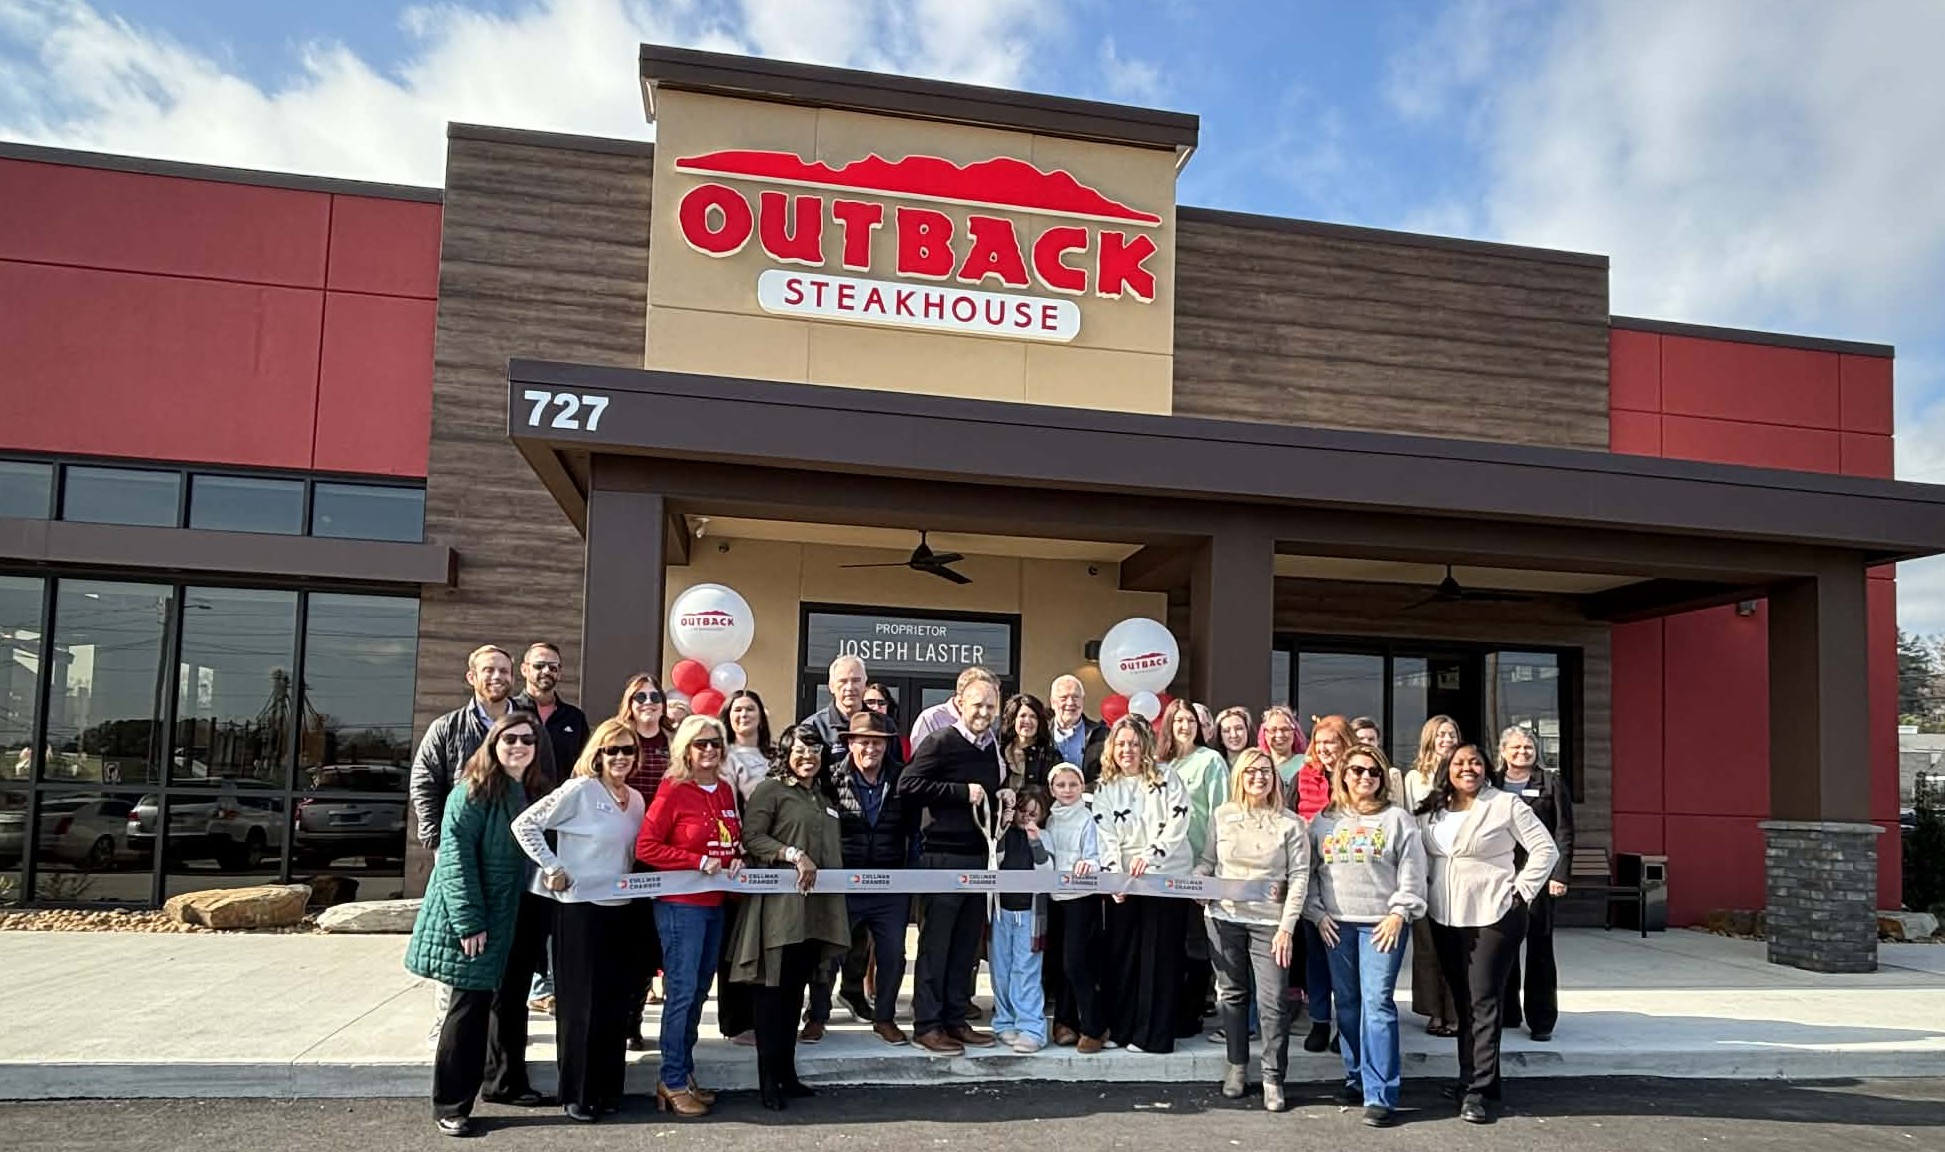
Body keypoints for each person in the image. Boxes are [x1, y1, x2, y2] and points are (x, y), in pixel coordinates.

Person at [404, 711, 547, 1138]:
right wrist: (469, 922)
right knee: (468, 1010)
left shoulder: (534, 791)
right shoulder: (472, 791)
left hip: (520, 911)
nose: (519, 746)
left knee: (511, 1002)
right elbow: (455, 860)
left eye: (527, 740)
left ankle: (504, 1083)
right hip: (480, 914)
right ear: (493, 744)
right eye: (510, 739)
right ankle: (451, 1104)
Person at [509, 717, 645, 1123]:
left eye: (628, 750)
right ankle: (578, 1094)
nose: (620, 757)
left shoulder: (637, 800)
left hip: (621, 910)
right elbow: (525, 824)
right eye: (612, 750)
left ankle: (607, 1089)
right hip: (579, 909)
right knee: (580, 1005)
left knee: (613, 1003)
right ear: (598, 754)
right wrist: (551, 865)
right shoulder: (581, 789)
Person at [1416, 743, 1559, 1124]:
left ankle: (1476, 1090)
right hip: (1444, 916)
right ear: (1447, 769)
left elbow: (1545, 849)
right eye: (1459, 762)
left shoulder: (1505, 805)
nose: (1468, 768)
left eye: (1476, 762)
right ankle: (1480, 1078)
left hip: (1493, 915)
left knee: (1483, 1001)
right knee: (1463, 1002)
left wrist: (1522, 891)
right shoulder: (1433, 808)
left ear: (1486, 768)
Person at [728, 723, 849, 1111]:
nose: (808, 757)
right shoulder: (771, 790)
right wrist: (793, 854)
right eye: (800, 750)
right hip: (778, 911)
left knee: (795, 992)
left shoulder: (822, 796)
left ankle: (787, 1075)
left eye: (814, 750)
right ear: (786, 753)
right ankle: (768, 1082)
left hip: (815, 911)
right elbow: (752, 837)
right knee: (772, 995)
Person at [1308, 745, 1428, 1128]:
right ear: (1343, 774)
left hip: (1381, 926)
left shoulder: (1397, 820)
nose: (1365, 777)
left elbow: (1413, 873)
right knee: (1346, 1004)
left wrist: (1399, 913)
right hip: (1336, 925)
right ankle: (1356, 1075)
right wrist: (1317, 914)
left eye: (1374, 771)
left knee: (1377, 1004)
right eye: (1357, 770)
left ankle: (1380, 1093)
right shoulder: (1323, 821)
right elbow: (1308, 874)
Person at [630, 714, 744, 1116]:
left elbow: (728, 840)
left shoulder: (725, 789)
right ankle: (671, 1079)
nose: (709, 750)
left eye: (715, 743)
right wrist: (695, 861)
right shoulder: (674, 789)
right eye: (701, 743)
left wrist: (736, 857)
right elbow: (646, 847)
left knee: (698, 992)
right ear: (686, 750)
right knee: (680, 993)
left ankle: (684, 1071)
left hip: (716, 904)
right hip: (681, 906)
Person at [897, 669, 1005, 1055]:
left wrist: (1002, 797)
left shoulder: (990, 747)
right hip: (942, 857)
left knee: (965, 947)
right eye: (977, 704)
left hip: (978, 856)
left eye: (990, 706)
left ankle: (956, 1020)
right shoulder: (941, 740)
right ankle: (927, 1025)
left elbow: (985, 794)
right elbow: (908, 785)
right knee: (937, 946)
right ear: (960, 704)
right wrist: (960, 792)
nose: (984, 712)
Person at [1195, 748, 1308, 1112]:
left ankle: (1273, 1076)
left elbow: (1299, 878)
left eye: (1265, 771)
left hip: (1270, 924)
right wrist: (1198, 883)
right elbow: (1208, 862)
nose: (1258, 777)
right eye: (1250, 772)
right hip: (1223, 918)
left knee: (1273, 1002)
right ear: (1239, 777)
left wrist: (1287, 927)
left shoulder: (1291, 823)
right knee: (1232, 996)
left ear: (1275, 778)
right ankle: (1237, 1066)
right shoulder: (1222, 815)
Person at [804, 710, 916, 1046]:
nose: (871, 749)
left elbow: (913, 829)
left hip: (890, 883)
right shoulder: (830, 778)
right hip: (843, 881)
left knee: (893, 955)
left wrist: (912, 873)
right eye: (864, 741)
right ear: (850, 743)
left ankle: (885, 1018)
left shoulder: (902, 778)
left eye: (878, 743)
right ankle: (817, 1016)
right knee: (828, 954)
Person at [1093, 715, 1192, 1054]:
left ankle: (1152, 1035)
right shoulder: (1105, 786)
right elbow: (1104, 833)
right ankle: (1121, 1028)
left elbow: (1178, 821)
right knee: (1122, 955)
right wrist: (1113, 876)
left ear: (1145, 746)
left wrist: (1150, 857)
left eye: (1134, 744)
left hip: (1163, 876)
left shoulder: (1167, 777)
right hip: (1124, 880)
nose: (1128, 750)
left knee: (1159, 956)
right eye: (1121, 744)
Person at [513, 642, 587, 1019]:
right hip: (519, 826)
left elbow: (585, 769)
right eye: (540, 665)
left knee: (556, 905)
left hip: (561, 828)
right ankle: (527, 984)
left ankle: (549, 986)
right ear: (525, 668)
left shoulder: (573, 717)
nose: (547, 672)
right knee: (523, 909)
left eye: (554, 667)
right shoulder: (510, 713)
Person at [1495, 725, 1574, 1042]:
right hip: (1501, 874)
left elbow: (1564, 831)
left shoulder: (1551, 782)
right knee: (1503, 943)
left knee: (1539, 945)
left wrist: (1559, 874)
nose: (1522, 752)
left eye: (1527, 747)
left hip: (1540, 875)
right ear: (1503, 752)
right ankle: (1508, 1012)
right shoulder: (1493, 783)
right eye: (1515, 748)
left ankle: (1542, 1019)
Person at [1157, 698, 1228, 1039]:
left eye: (1190, 721)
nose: (1184, 726)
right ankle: (1169, 1009)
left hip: (1199, 864)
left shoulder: (1210, 761)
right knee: (1169, 942)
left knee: (1196, 942)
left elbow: (1220, 814)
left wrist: (1209, 866)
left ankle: (1192, 1011)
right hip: (1164, 867)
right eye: (1178, 720)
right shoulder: (1160, 763)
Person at [1290, 713, 1354, 1054]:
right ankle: (1319, 1020)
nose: (1326, 748)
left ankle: (1346, 1025)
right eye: (1320, 742)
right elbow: (1288, 815)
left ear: (1346, 743)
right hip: (1312, 874)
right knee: (1315, 956)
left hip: (1349, 877)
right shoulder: (1303, 775)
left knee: (1345, 962)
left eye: (1332, 742)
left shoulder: (1359, 774)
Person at [614, 672, 672, 1050]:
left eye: (655, 696)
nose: (648, 702)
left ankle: (637, 1018)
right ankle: (625, 1021)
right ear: (629, 704)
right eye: (640, 697)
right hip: (623, 849)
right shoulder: (618, 739)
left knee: (653, 941)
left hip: (664, 851)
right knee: (627, 942)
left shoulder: (674, 741)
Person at [1404, 715, 1462, 1036]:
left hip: (1456, 869)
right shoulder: (1415, 778)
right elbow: (1409, 822)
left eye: (1451, 734)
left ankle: (1455, 1011)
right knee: (1427, 946)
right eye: (1441, 734)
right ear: (1430, 739)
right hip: (1423, 867)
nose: (1446, 739)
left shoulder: (1464, 773)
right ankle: (1434, 1011)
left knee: (1454, 943)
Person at [1042, 762, 1104, 1049]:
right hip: (1056, 898)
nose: (1067, 790)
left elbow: (1095, 855)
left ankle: (1094, 1025)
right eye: (1061, 785)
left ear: (1082, 787)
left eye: (1073, 784)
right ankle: (1064, 1023)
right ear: (1052, 789)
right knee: (1058, 962)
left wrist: (1089, 864)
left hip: (1081, 897)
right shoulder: (1051, 819)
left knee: (1075, 961)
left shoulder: (1088, 818)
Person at [991, 785, 1056, 1053]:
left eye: (1033, 813)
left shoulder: (1044, 836)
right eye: (1021, 811)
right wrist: (1003, 827)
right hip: (1000, 912)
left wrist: (1035, 841)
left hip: (1030, 914)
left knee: (1026, 971)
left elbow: (1047, 871)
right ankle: (1004, 1022)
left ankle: (1032, 1028)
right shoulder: (1003, 833)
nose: (1026, 817)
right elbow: (994, 861)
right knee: (1001, 971)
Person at [808, 655, 871, 769]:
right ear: (831, 687)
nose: (850, 687)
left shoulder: (884, 726)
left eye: (856, 680)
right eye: (843, 681)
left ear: (865, 685)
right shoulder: (814, 726)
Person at [1049, 674, 1109, 785]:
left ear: (1082, 700)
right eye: (1064, 698)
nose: (1070, 703)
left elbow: (1108, 774)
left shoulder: (1102, 735)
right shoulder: (1042, 734)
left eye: (1075, 697)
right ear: (1053, 702)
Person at [999, 693, 1060, 792]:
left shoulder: (1050, 756)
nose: (1027, 721)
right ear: (1013, 719)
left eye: (1033, 717)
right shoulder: (1000, 752)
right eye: (1022, 716)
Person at [722, 689, 773, 802]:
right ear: (728, 716)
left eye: (750, 709)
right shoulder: (723, 756)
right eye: (738, 710)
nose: (744, 714)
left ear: (761, 715)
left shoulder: (776, 754)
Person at [861, 681, 913, 763]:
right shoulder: (851, 729)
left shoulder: (894, 733)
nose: (876, 707)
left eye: (881, 703)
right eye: (870, 702)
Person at [1257, 706, 1307, 786]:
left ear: (1294, 733)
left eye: (1285, 729)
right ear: (1264, 734)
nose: (1279, 735)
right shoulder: (1257, 765)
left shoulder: (1305, 763)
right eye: (1273, 730)